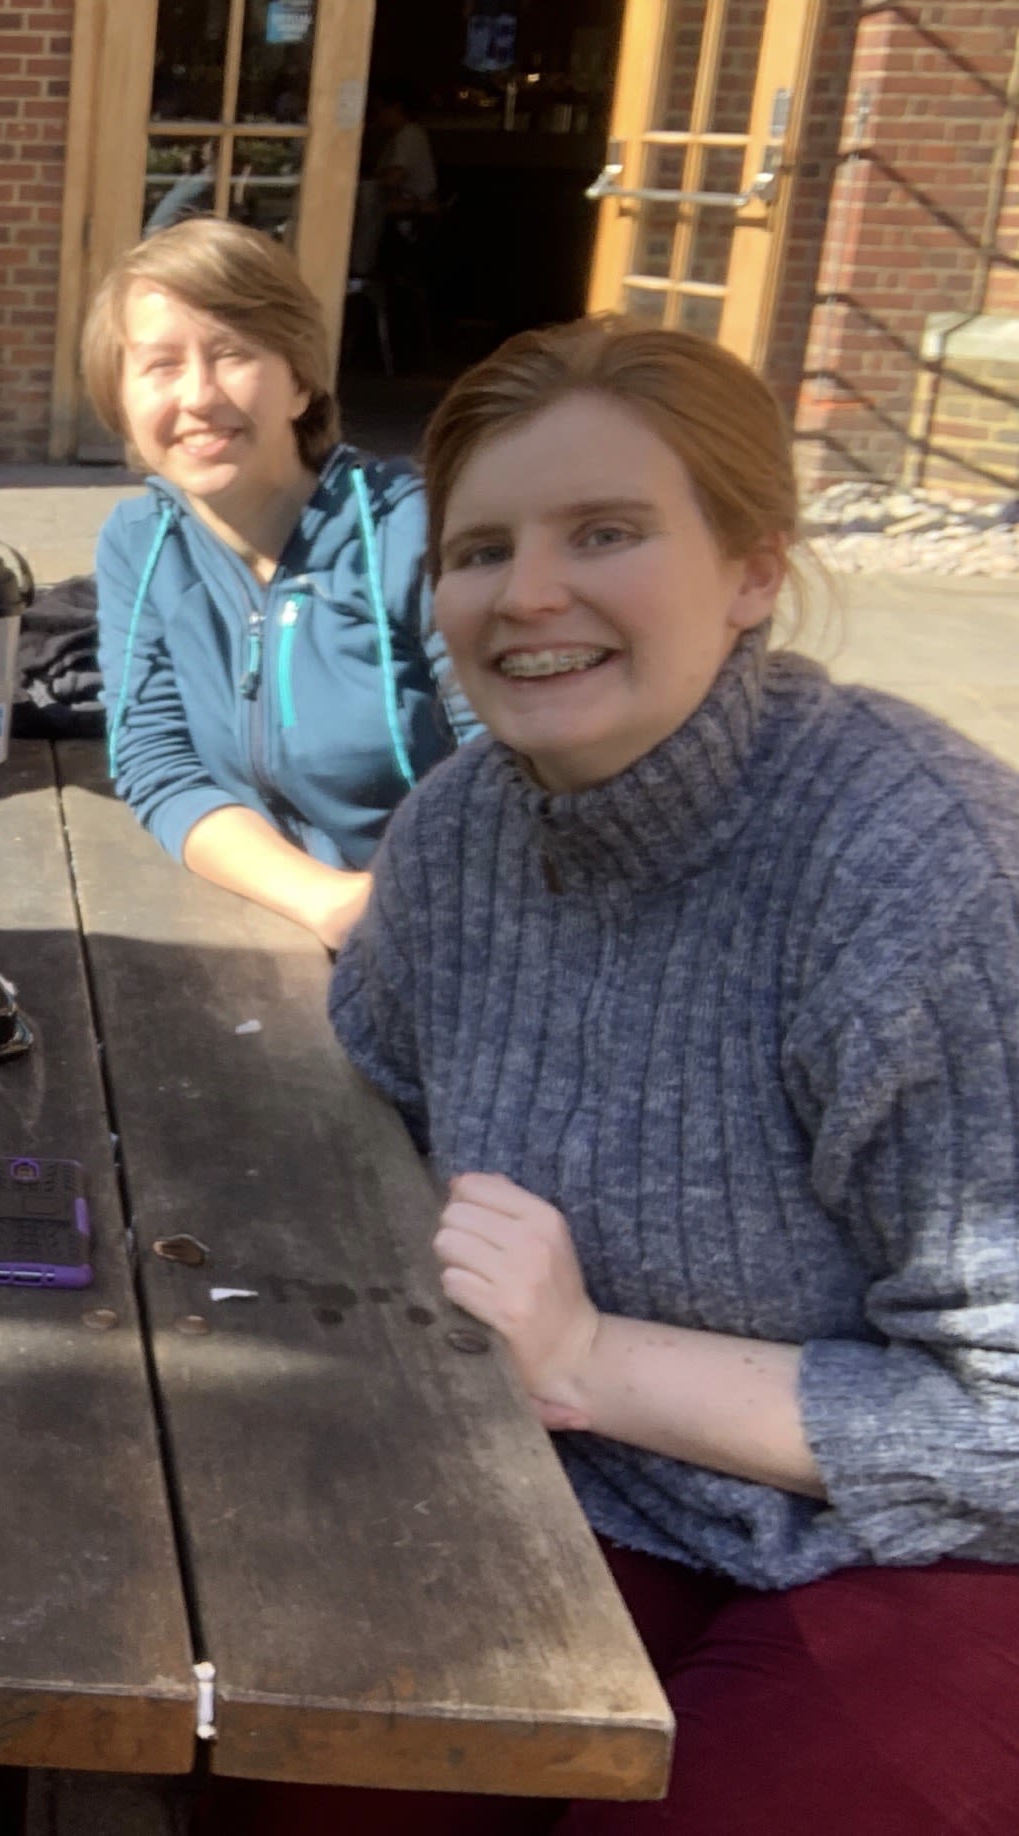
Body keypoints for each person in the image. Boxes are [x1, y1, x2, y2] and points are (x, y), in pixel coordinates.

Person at [235, 317, 1019, 1834]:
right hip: (583, 1489)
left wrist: (591, 1360)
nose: (528, 594)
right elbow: (363, 1128)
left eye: (606, 533)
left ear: (751, 568)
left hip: (926, 1551)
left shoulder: (920, 866)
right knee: (299, 1771)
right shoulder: (462, 830)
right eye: (481, 550)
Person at [84, 217, 476, 952]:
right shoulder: (139, 545)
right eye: (161, 365)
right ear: (124, 407)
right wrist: (323, 901)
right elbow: (155, 763)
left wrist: (392, 905)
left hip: (452, 927)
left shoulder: (414, 531)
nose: (199, 395)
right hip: (286, 917)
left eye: (232, 353)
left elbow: (516, 768)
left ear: (299, 381)